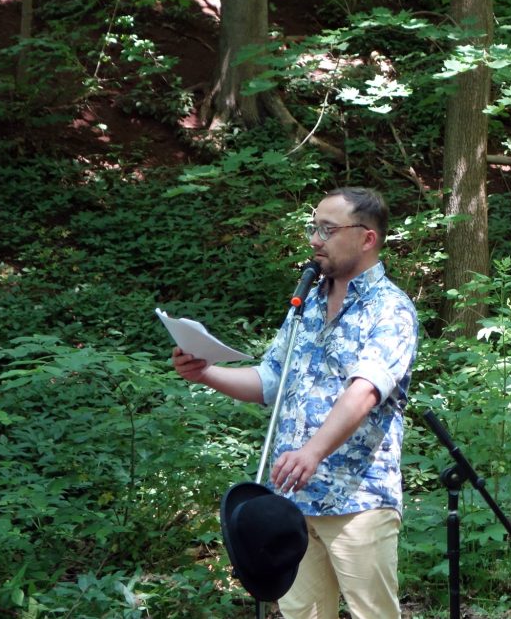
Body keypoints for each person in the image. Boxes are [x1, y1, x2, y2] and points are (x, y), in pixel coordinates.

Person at [173, 187, 419, 619]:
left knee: (373, 614)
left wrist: (312, 452)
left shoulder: (391, 310)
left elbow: (363, 391)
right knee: (301, 614)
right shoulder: (306, 305)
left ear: (367, 238)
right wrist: (204, 372)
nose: (314, 239)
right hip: (291, 500)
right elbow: (270, 380)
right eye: (314, 228)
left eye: (328, 229)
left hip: (356, 499)